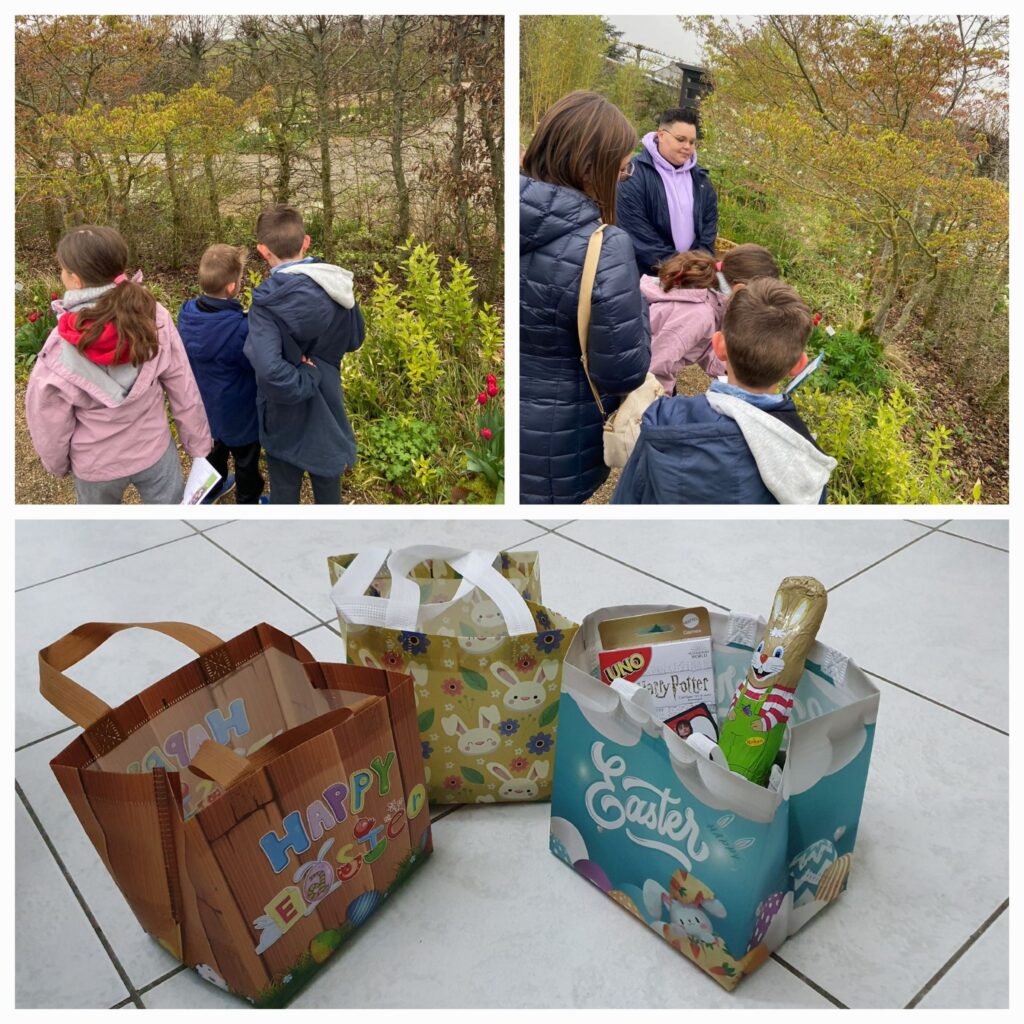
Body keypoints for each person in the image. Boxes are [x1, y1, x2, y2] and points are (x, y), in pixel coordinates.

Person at [520, 91, 651, 504]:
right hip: (558, 449)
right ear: (593, 169)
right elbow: (622, 371)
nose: (623, 179)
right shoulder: (604, 246)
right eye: (623, 170)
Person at [25, 225, 212, 504]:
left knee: (102, 535)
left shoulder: (59, 347)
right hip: (154, 450)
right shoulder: (153, 316)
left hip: (96, 464)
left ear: (75, 280)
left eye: (62, 269)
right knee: (172, 525)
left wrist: (58, 464)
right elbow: (182, 384)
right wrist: (198, 446)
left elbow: (47, 418)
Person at [613, 277, 836, 505]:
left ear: (718, 346)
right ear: (798, 366)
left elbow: (628, 499)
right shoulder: (807, 459)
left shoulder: (662, 419)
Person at [244, 204, 365, 504]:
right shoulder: (337, 287)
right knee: (329, 494)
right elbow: (354, 338)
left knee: (284, 496)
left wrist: (306, 374)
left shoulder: (265, 305)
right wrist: (317, 370)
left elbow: (270, 371)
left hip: (284, 417)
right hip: (328, 405)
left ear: (263, 250)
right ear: (306, 241)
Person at [178, 244, 265, 504]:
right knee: (246, 463)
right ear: (231, 287)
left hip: (205, 410)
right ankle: (248, 502)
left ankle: (211, 490)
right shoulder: (239, 328)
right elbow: (255, 364)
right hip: (241, 416)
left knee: (212, 455)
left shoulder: (187, 315)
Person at [617, 106, 718, 276]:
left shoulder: (701, 179)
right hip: (647, 278)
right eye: (681, 139)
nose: (688, 147)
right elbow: (639, 236)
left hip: (692, 277)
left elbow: (708, 230)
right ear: (661, 135)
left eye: (692, 142)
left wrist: (698, 268)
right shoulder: (632, 174)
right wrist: (680, 271)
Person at [643, 250, 726, 395]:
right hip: (645, 382)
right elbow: (656, 367)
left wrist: (730, 370)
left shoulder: (707, 303)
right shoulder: (697, 315)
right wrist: (661, 403)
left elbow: (701, 344)